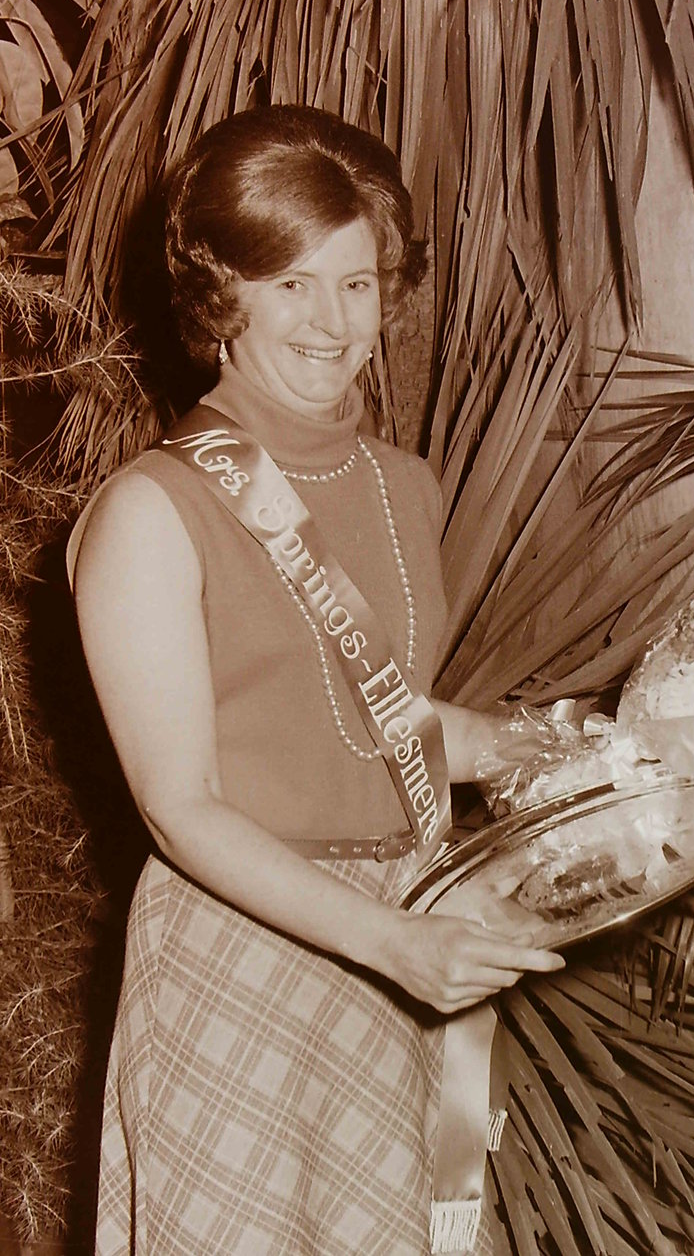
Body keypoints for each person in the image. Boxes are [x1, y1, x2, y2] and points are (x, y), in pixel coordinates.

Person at [70, 104, 564, 1255]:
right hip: (244, 955)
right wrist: (391, 943)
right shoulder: (154, 509)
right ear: (218, 292)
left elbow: (372, 725)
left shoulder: (406, 486)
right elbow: (177, 801)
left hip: (401, 936)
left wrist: (545, 746)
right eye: (290, 283)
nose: (333, 322)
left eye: (357, 282)